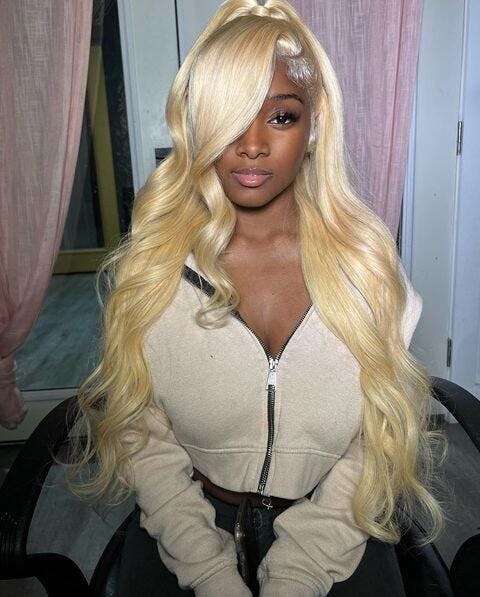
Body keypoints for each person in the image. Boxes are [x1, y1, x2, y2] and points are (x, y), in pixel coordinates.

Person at [63, 1, 447, 595]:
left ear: (314, 127)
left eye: (281, 116)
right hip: (184, 524)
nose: (251, 144)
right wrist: (210, 571)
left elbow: (376, 443)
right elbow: (145, 441)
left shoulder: (368, 270)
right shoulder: (153, 270)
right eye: (231, 116)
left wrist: (300, 571)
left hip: (337, 523)